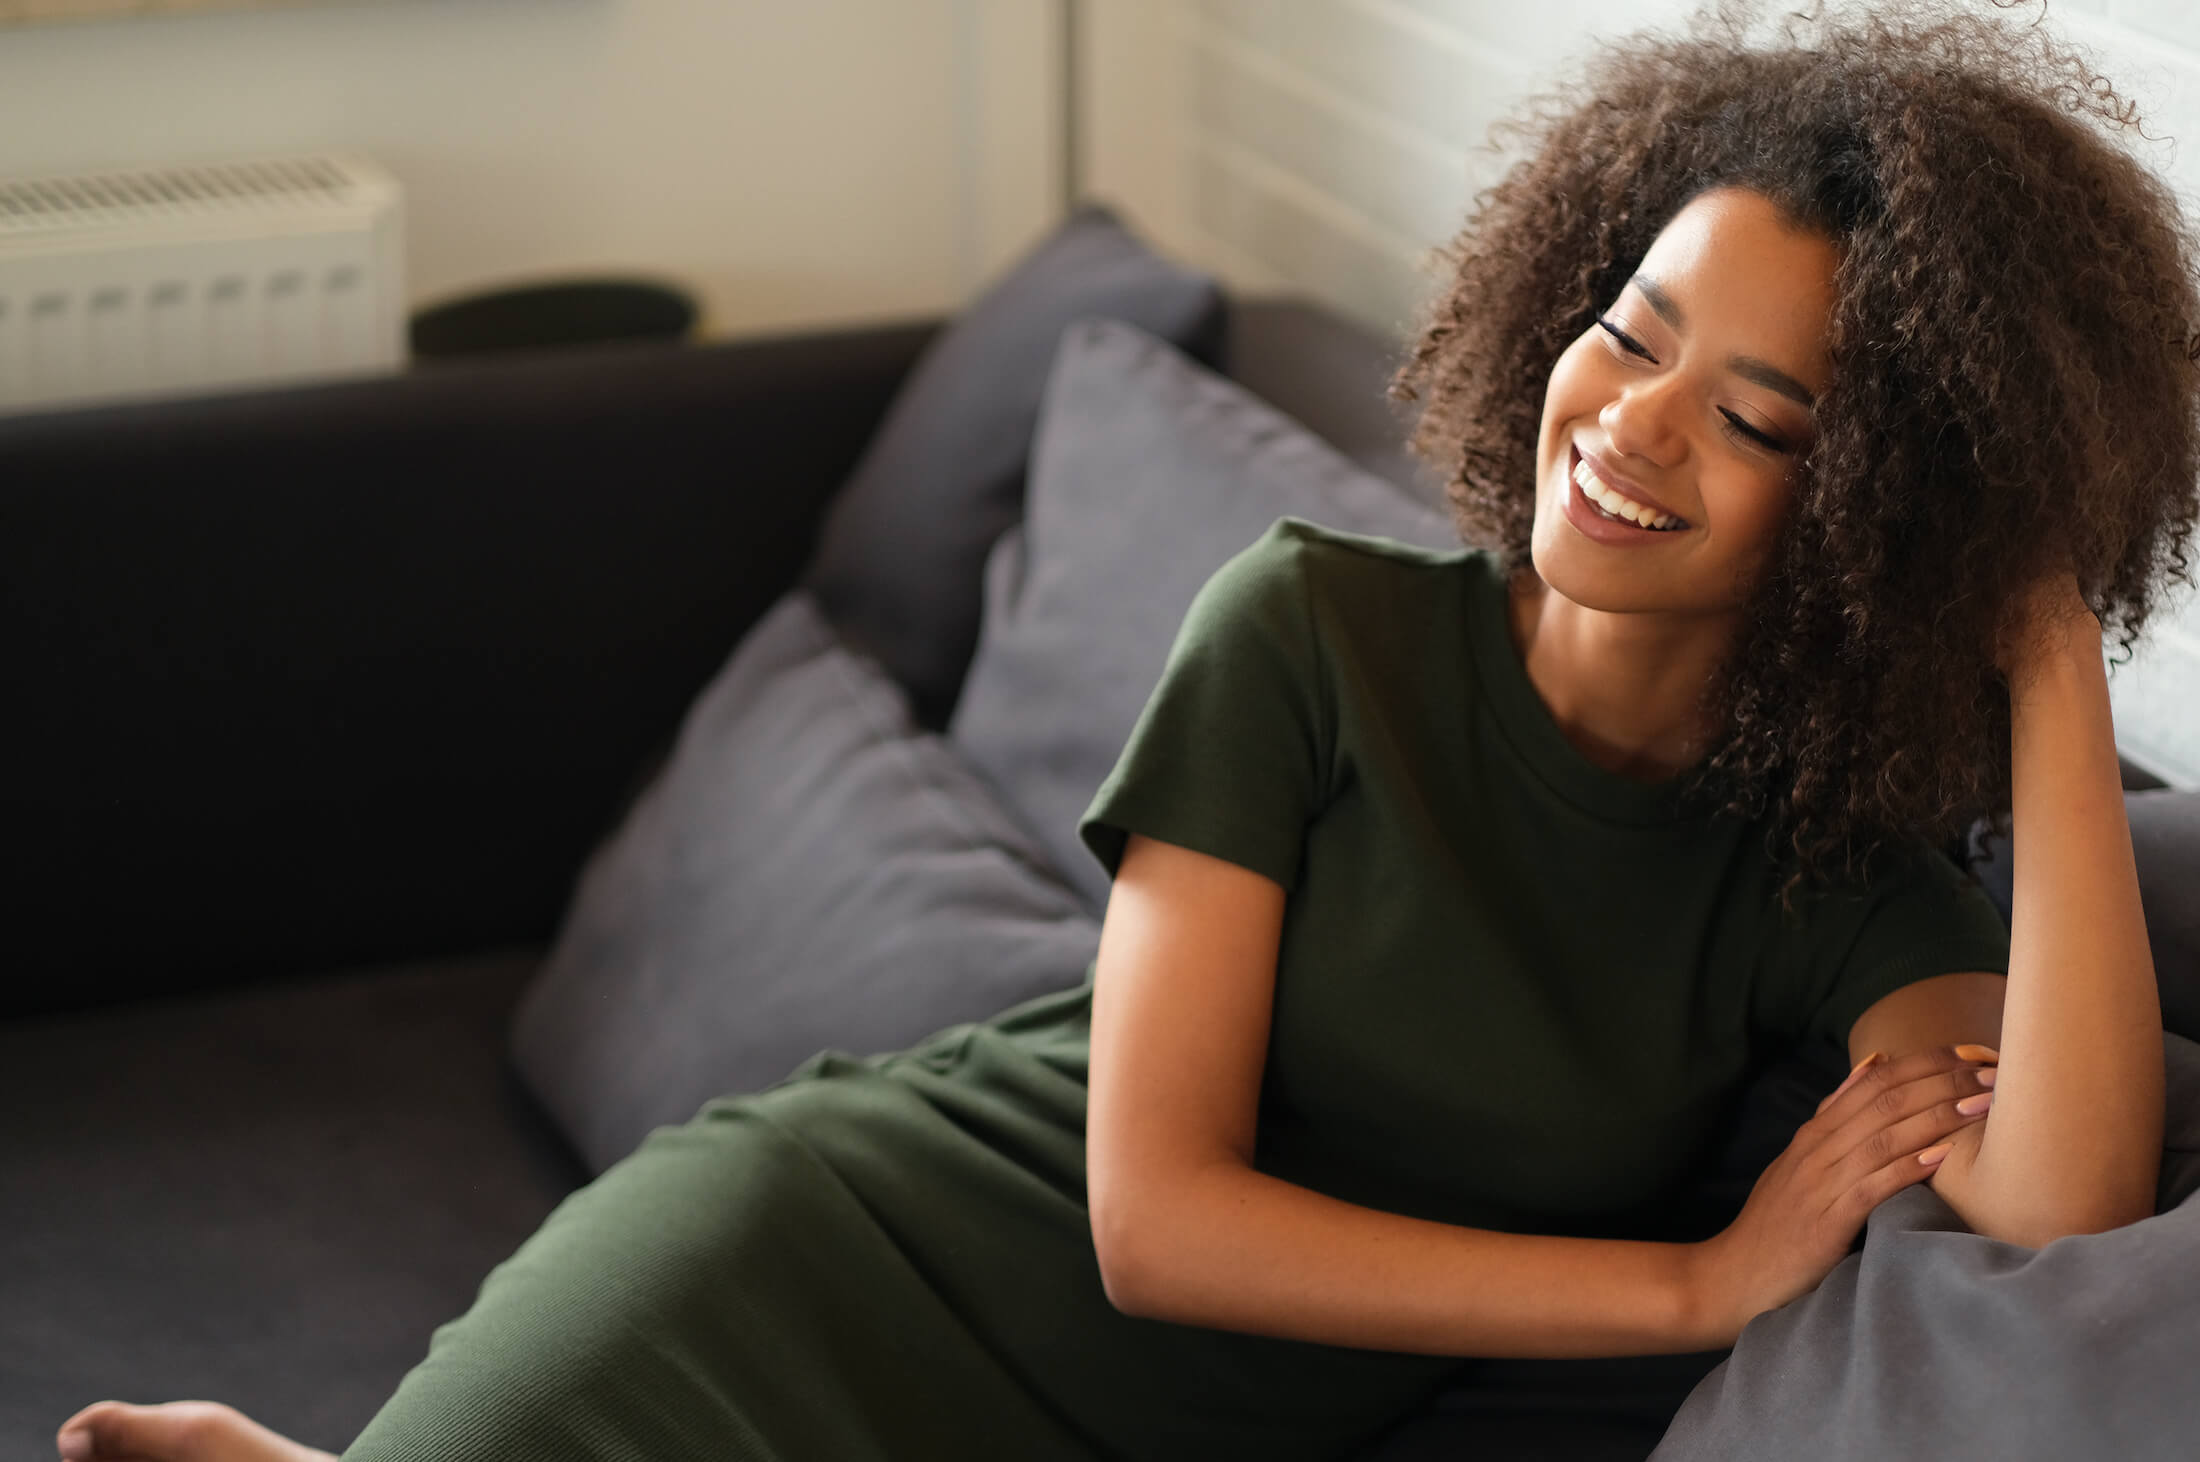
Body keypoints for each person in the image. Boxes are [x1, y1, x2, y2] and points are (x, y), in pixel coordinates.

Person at [55, 1, 2195, 1458]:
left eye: (1753, 416)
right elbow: (1151, 1218)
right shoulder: (1312, 629)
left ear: (1871, 520)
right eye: (1626, 328)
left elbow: (2062, 1191)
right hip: (796, 1277)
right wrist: (1693, 1281)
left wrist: (2034, 641)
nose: (1628, 419)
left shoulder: (1825, 882)